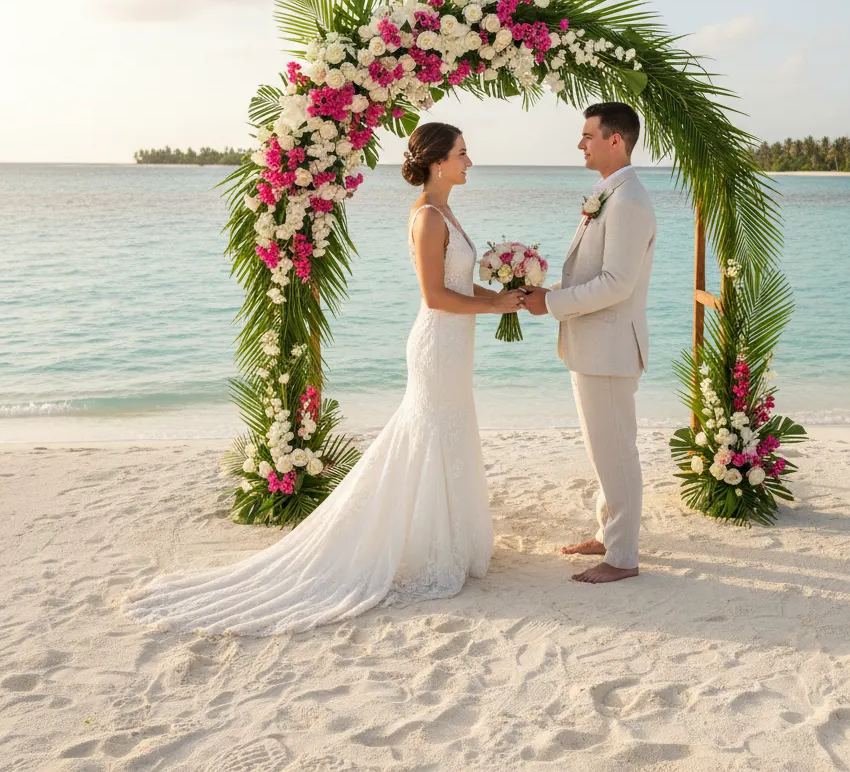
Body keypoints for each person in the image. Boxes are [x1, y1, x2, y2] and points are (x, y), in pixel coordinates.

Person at [122, 122, 522, 635]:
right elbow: (435, 296)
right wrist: (493, 305)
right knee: (427, 435)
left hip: (455, 344)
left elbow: (458, 281)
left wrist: (506, 290)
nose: (470, 162)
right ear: (438, 161)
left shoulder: (446, 210)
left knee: (448, 432)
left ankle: (449, 541)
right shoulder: (427, 216)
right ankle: (417, 547)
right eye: (463, 153)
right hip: (438, 342)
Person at [523, 102, 656, 585]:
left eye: (588, 136)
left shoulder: (629, 201)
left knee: (617, 451)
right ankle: (608, 534)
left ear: (614, 140)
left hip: (611, 347)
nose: (581, 144)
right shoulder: (609, 193)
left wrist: (552, 303)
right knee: (605, 450)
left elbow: (618, 283)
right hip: (594, 345)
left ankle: (622, 558)